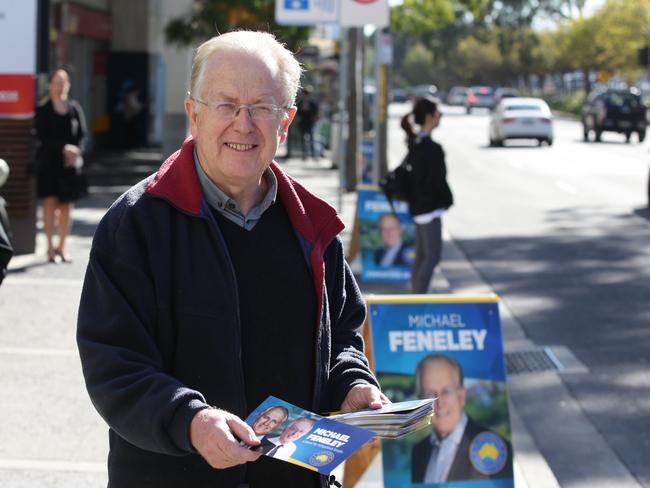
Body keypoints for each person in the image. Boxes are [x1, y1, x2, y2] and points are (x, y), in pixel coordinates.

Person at [77, 30, 387, 488]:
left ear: (286, 123)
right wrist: (191, 420)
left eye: (262, 107)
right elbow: (114, 363)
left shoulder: (313, 227)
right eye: (225, 105)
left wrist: (352, 383)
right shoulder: (134, 226)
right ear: (194, 114)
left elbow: (341, 335)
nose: (244, 124)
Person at [411, 355, 512, 484]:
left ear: (462, 396)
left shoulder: (497, 448)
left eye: (446, 391)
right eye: (429, 394)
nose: (439, 402)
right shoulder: (419, 451)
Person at [400, 97, 453, 293]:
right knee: (432, 256)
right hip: (429, 208)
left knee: (422, 255)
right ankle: (419, 298)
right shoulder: (432, 148)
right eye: (438, 113)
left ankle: (416, 295)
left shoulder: (415, 142)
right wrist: (448, 200)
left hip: (417, 206)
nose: (440, 117)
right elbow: (439, 181)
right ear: (430, 117)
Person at [35, 69, 87, 263]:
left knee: (66, 206)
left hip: (69, 165)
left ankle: (62, 247)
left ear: (68, 85)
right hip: (49, 163)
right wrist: (63, 148)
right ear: (51, 85)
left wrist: (76, 151)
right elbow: (42, 136)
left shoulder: (74, 108)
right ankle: (49, 248)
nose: (59, 85)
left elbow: (82, 135)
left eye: (63, 82)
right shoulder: (44, 109)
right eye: (56, 82)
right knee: (50, 204)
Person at [297, 86, 319, 160]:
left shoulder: (313, 103)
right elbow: (298, 113)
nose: (306, 95)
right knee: (303, 140)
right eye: (305, 93)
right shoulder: (300, 103)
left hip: (310, 123)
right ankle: (305, 155)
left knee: (312, 139)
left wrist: (309, 111)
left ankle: (313, 155)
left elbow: (316, 112)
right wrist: (302, 109)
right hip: (303, 123)